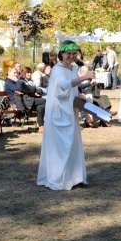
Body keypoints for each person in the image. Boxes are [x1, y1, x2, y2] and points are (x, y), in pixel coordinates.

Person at [37, 41, 94, 191]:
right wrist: (85, 76)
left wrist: (80, 95)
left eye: (74, 54)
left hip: (71, 112)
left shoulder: (73, 69)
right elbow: (64, 84)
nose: (71, 56)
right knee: (61, 145)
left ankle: (74, 177)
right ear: (61, 54)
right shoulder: (57, 69)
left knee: (72, 143)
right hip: (59, 113)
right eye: (68, 54)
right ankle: (58, 177)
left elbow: (72, 88)